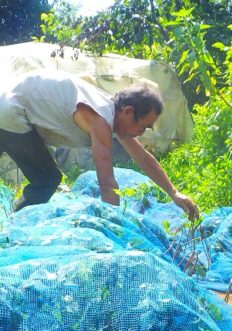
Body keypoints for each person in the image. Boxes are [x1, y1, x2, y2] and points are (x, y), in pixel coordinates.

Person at [0, 69, 199, 219]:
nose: (142, 133)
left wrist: (174, 193)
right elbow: (107, 183)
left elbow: (144, 159)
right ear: (128, 112)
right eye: (144, 126)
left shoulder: (106, 111)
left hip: (9, 102)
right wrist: (114, 227)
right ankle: (13, 227)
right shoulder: (100, 117)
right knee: (47, 179)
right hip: (12, 110)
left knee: (46, 177)